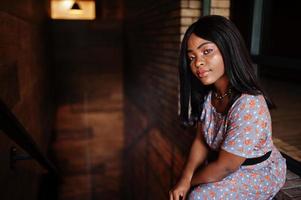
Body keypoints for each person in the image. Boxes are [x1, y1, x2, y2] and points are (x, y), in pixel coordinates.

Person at [169, 15, 286, 200]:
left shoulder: (248, 104)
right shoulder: (210, 96)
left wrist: (188, 184)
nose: (197, 63)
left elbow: (225, 167)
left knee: (198, 196)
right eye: (191, 57)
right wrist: (184, 177)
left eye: (206, 51)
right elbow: (201, 141)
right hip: (224, 166)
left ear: (228, 49)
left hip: (257, 172)